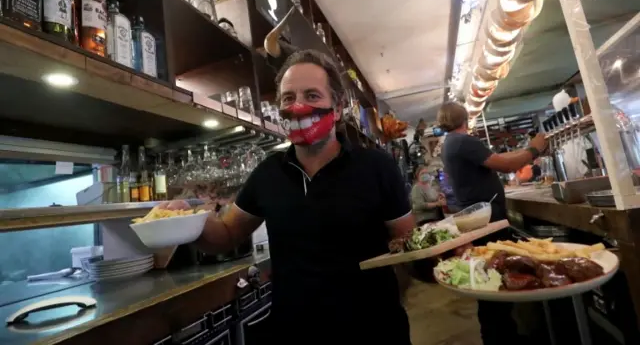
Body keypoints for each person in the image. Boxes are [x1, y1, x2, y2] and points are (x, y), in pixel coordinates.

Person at [162, 50, 415, 344]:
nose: (298, 108)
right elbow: (227, 233)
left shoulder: (376, 167)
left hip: (374, 331)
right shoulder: (268, 173)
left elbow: (409, 246)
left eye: (312, 96)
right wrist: (185, 219)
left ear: (337, 107)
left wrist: (446, 258)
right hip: (295, 332)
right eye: (288, 98)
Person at [437, 101, 548, 345]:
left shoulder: (452, 143)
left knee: (490, 276)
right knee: (494, 276)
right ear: (465, 118)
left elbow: (497, 157)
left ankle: (501, 334)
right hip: (487, 220)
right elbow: (505, 164)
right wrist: (533, 150)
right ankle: (500, 337)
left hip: (481, 217)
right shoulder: (463, 141)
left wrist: (524, 151)